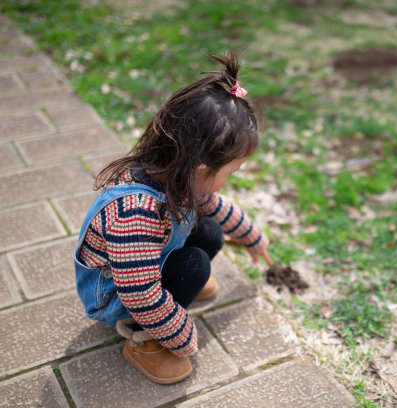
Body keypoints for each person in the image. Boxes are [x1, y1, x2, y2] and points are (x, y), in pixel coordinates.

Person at [73, 52, 271, 384]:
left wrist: (252, 236)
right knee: (195, 264)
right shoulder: (134, 213)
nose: (230, 179)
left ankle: (176, 292)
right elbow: (140, 292)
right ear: (202, 169)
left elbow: (216, 206)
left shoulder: (177, 173)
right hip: (117, 295)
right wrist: (181, 334)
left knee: (208, 230)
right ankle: (143, 339)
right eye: (231, 172)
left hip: (144, 266)